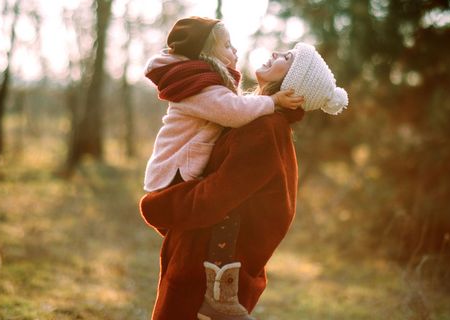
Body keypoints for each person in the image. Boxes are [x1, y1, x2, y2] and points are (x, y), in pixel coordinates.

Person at [140, 40, 348, 320]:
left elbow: (215, 198)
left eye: (286, 58)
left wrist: (159, 206)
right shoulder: (253, 118)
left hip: (208, 275)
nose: (276, 53)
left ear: (293, 86)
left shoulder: (264, 129)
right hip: (205, 266)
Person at [143, 16, 303, 193]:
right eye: (227, 45)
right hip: (174, 171)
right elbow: (236, 111)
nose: (235, 49)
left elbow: (236, 106)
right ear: (207, 56)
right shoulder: (199, 88)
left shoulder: (201, 83)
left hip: (178, 169)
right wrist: (273, 100)